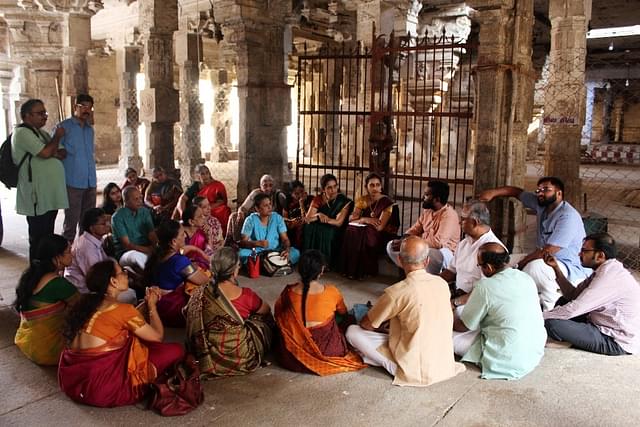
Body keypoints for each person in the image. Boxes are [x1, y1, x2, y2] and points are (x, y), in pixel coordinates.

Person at [58, 260, 184, 407]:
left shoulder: (85, 304)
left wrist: (144, 303)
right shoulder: (123, 310)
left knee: (133, 338)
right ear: (113, 281)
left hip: (72, 382)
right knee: (176, 350)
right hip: (100, 389)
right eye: (122, 272)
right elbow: (157, 336)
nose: (126, 274)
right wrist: (152, 306)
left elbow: (119, 321)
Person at [346, 236, 465, 386]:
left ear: (400, 261)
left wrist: (384, 327)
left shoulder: (396, 292)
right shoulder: (441, 283)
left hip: (416, 369)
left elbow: (366, 325)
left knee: (352, 331)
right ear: (427, 261)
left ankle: (397, 368)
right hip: (444, 364)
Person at [478, 176, 588, 310]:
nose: (540, 193)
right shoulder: (542, 204)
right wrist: (493, 193)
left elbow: (547, 251)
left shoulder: (567, 216)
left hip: (566, 265)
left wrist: (520, 265)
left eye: (546, 190)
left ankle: (550, 306)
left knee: (534, 268)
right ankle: (496, 301)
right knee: (503, 261)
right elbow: (516, 192)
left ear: (559, 193)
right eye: (538, 190)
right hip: (545, 259)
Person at [452, 243, 546, 380]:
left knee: (450, 336)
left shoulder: (485, 286)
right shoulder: (525, 277)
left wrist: (448, 313)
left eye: (480, 266)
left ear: (489, 267)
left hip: (506, 359)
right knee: (467, 312)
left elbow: (462, 327)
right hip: (533, 352)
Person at [543, 233, 640, 355]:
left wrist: (537, 317)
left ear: (600, 255)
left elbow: (575, 308)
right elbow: (572, 295)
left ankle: (571, 341)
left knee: (552, 323)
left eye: (584, 251)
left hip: (615, 340)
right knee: (563, 302)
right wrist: (556, 268)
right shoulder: (604, 269)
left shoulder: (609, 276)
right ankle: (572, 338)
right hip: (599, 324)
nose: (579, 254)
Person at [274, 250, 367, 375]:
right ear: (321, 270)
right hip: (328, 350)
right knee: (350, 317)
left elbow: (278, 316)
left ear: (299, 269)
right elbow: (343, 313)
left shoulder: (287, 293)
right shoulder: (332, 291)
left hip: (292, 357)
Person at [185, 248, 274, 376]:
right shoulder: (245, 295)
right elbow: (266, 309)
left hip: (205, 352)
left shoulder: (200, 293)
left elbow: (188, 312)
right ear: (234, 271)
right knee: (265, 320)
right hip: (240, 355)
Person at [11, 99, 68, 260]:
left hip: (49, 194)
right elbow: (45, 153)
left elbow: (62, 153)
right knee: (38, 238)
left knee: (47, 236)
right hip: (36, 194)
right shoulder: (22, 133)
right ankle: (36, 274)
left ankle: (46, 269)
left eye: (45, 113)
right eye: (40, 113)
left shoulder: (40, 133)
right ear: (27, 116)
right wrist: (56, 138)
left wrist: (52, 150)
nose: (45, 116)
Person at [14, 234, 79, 365]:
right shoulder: (58, 284)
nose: (72, 255)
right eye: (68, 252)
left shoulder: (31, 275)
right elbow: (84, 306)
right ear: (56, 258)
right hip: (49, 350)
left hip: (29, 343)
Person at [143, 220, 210, 327]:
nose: (185, 236)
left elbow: (182, 251)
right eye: (182, 234)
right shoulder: (179, 261)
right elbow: (204, 281)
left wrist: (193, 250)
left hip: (158, 306)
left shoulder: (158, 255)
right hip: (172, 309)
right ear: (174, 241)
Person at [64, 208, 137, 304]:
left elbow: (106, 262)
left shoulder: (94, 239)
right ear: (92, 228)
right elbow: (97, 279)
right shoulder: (87, 248)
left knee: (129, 274)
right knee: (130, 294)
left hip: (98, 281)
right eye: (103, 224)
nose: (107, 225)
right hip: (85, 290)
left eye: (106, 222)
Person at [386, 180, 459, 275]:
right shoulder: (427, 211)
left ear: (437, 199)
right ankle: (413, 273)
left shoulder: (449, 215)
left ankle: (419, 276)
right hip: (423, 247)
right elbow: (415, 229)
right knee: (391, 246)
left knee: (422, 253)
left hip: (443, 252)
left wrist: (414, 244)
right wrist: (404, 240)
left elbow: (438, 242)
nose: (423, 197)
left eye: (426, 195)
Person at [443, 200, 505, 306]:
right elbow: (451, 271)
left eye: (463, 219)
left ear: (475, 222)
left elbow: (486, 290)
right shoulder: (464, 243)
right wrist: (430, 281)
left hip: (476, 301)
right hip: (457, 294)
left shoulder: (493, 249)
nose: (459, 222)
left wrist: (455, 303)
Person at [340, 172, 399, 279]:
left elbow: (379, 227)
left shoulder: (387, 202)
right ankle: (350, 270)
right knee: (351, 229)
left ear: (381, 187)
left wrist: (361, 220)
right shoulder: (363, 200)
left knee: (365, 233)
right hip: (366, 228)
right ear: (366, 187)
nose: (375, 188)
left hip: (381, 234)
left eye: (377, 185)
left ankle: (364, 271)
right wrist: (364, 219)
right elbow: (352, 219)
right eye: (371, 185)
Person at [54, 94, 97, 242]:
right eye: (83, 106)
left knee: (88, 221)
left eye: (89, 107)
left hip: (90, 181)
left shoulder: (89, 130)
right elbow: (55, 151)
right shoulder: (64, 127)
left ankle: (83, 252)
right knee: (71, 221)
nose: (87, 110)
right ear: (75, 107)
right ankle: (66, 255)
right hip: (73, 181)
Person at [302, 173, 352, 268]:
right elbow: (307, 219)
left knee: (326, 231)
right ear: (323, 189)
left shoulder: (343, 201)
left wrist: (324, 218)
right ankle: (311, 262)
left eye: (335, 186)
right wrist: (318, 215)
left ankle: (325, 263)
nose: (333, 190)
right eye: (329, 187)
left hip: (336, 228)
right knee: (309, 227)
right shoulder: (318, 199)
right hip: (323, 224)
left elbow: (338, 222)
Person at [238, 192, 300, 265]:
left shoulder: (277, 218)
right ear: (257, 208)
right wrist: (257, 243)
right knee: (241, 253)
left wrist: (287, 250)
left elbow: (285, 239)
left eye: (270, 204)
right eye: (265, 205)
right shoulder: (250, 220)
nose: (270, 207)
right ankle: (274, 264)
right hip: (257, 252)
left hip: (275, 251)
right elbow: (242, 243)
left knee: (295, 253)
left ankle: (263, 264)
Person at [226, 174, 283, 244]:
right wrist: (240, 213)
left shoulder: (277, 195)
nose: (268, 188)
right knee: (234, 216)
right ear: (260, 186)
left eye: (270, 185)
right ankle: (237, 242)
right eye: (265, 185)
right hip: (256, 218)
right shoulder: (256, 193)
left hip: (270, 220)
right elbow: (243, 207)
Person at [178, 164, 231, 236]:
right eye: (202, 174)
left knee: (224, 210)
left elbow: (221, 202)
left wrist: (207, 207)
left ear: (210, 174)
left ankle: (222, 234)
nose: (205, 176)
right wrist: (182, 213)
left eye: (207, 173)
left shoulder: (218, 185)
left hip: (212, 207)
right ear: (198, 176)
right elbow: (183, 199)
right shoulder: (195, 186)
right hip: (197, 207)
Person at [111, 186, 156, 270]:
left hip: (147, 249)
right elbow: (127, 245)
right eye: (136, 199)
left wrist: (156, 247)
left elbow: (152, 234)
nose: (140, 201)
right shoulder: (117, 217)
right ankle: (149, 276)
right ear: (126, 201)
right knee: (135, 256)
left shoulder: (144, 211)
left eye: (140, 198)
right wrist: (148, 250)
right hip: (127, 253)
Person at [281, 180, 313, 248]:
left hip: (306, 225)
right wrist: (292, 223)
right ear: (291, 193)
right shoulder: (288, 201)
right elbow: (285, 219)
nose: (300, 195)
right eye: (296, 193)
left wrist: (301, 203)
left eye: (302, 192)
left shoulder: (310, 200)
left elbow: (306, 218)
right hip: (292, 226)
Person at [181, 204, 212, 270]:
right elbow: (179, 253)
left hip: (199, 263)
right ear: (191, 221)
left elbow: (209, 252)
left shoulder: (200, 232)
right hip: (184, 266)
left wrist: (209, 236)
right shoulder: (181, 235)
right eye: (200, 216)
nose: (204, 218)